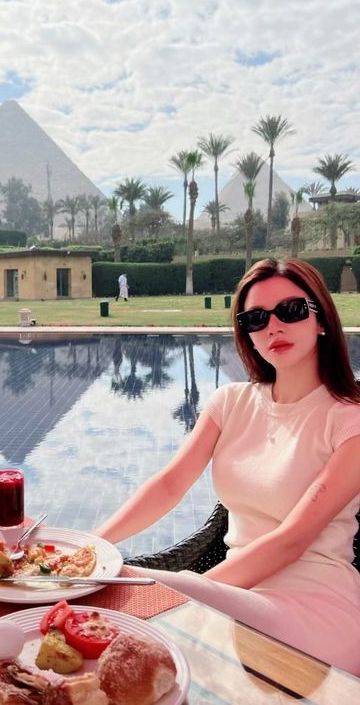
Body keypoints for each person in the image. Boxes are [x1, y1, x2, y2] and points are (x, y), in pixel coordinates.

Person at [96, 258, 360, 674]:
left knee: (124, 594)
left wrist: (197, 592)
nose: (274, 326)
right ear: (247, 334)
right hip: (233, 587)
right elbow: (170, 485)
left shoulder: (348, 419)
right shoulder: (231, 402)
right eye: (256, 318)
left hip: (314, 604)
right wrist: (92, 547)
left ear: (322, 320)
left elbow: (292, 540)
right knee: (101, 586)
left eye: (290, 311)